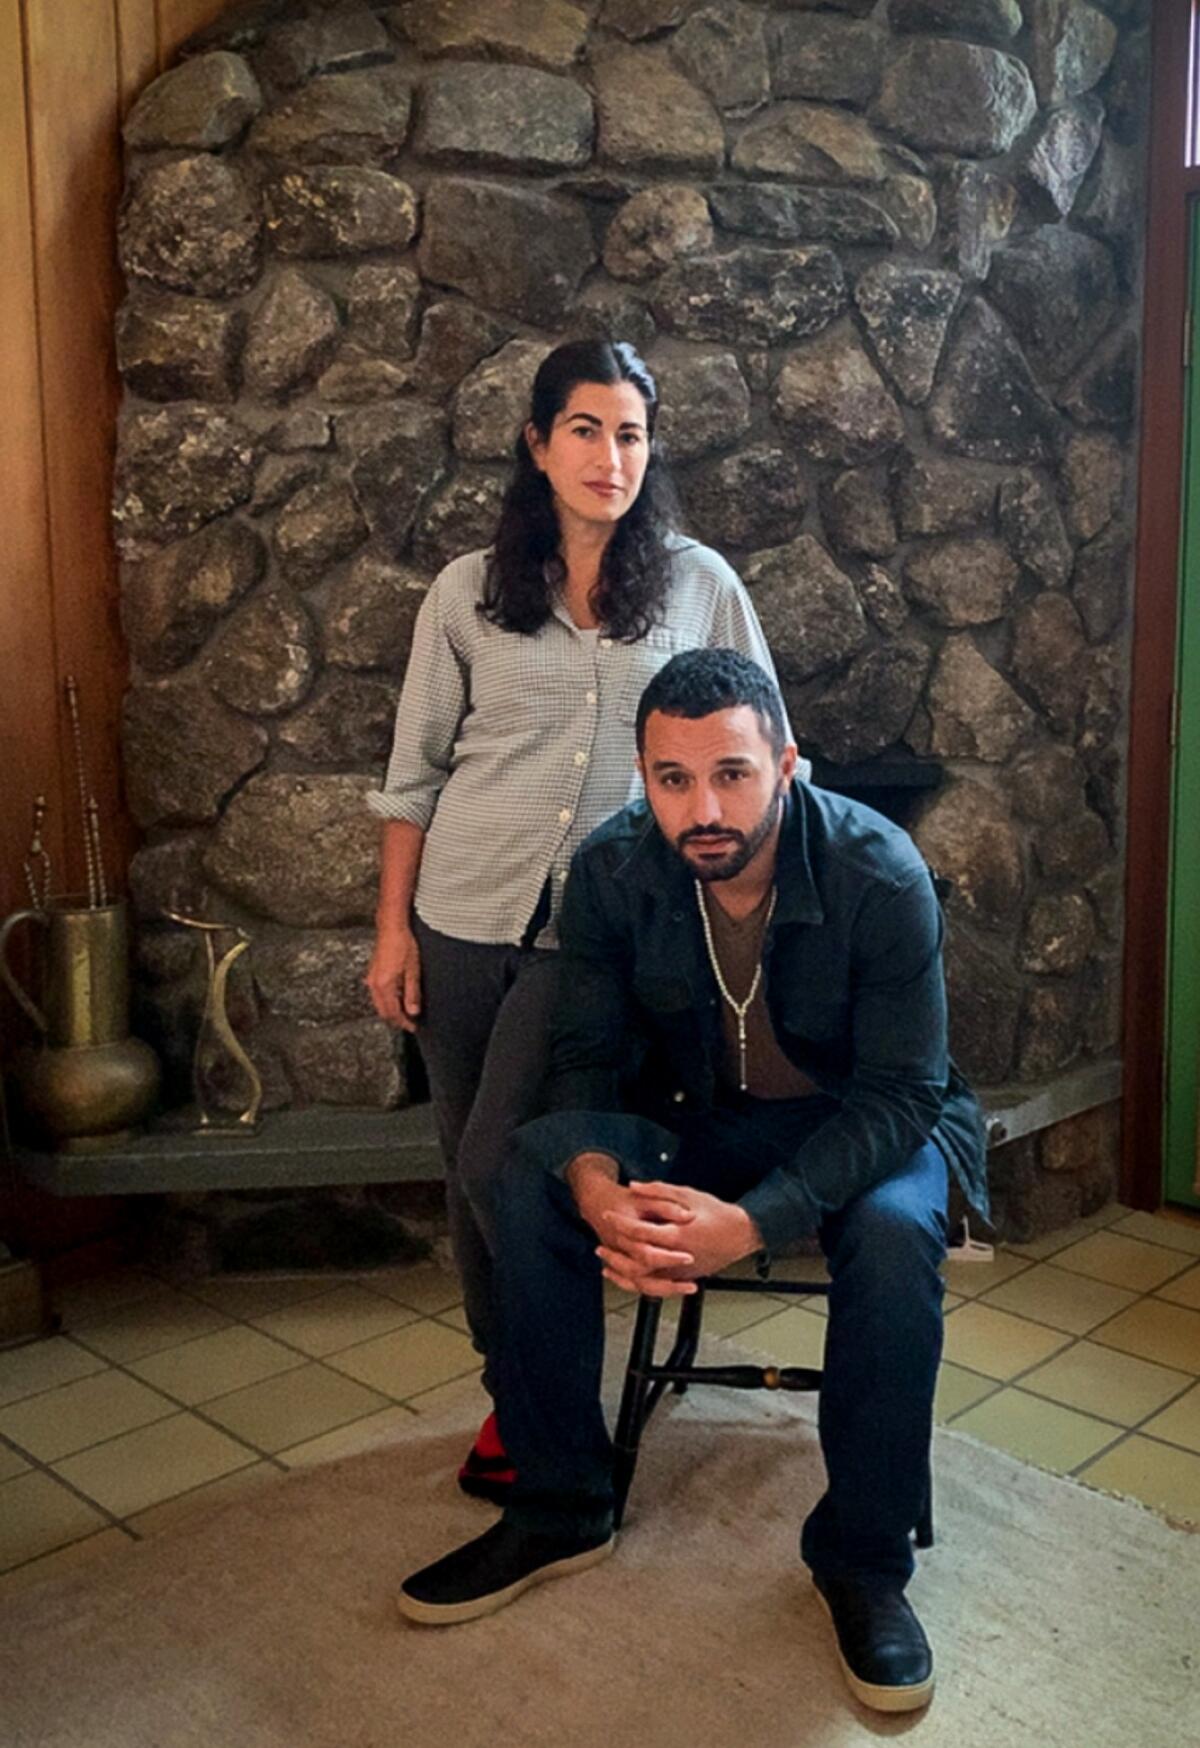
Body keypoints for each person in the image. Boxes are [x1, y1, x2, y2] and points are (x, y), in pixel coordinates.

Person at [396, 648, 988, 1717]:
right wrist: (592, 1175)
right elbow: (584, 1051)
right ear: (644, 777)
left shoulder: (879, 872)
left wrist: (755, 1222)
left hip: (862, 1119)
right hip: (704, 1117)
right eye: (672, 778)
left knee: (897, 1237)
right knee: (525, 1168)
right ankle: (561, 1499)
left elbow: (906, 1092)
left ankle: (864, 1561)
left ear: (787, 765)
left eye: (731, 773)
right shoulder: (617, 869)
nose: (702, 807)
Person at [365, 343, 785, 1505]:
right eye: (589, 429)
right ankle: (521, 1394)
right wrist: (392, 932)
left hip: (596, 937)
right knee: (464, 1167)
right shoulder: (464, 592)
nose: (613, 456)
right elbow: (413, 778)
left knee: (508, 1159)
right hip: (461, 912)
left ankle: (548, 1412)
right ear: (540, 443)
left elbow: (763, 756)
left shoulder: (701, 584)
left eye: (634, 434)